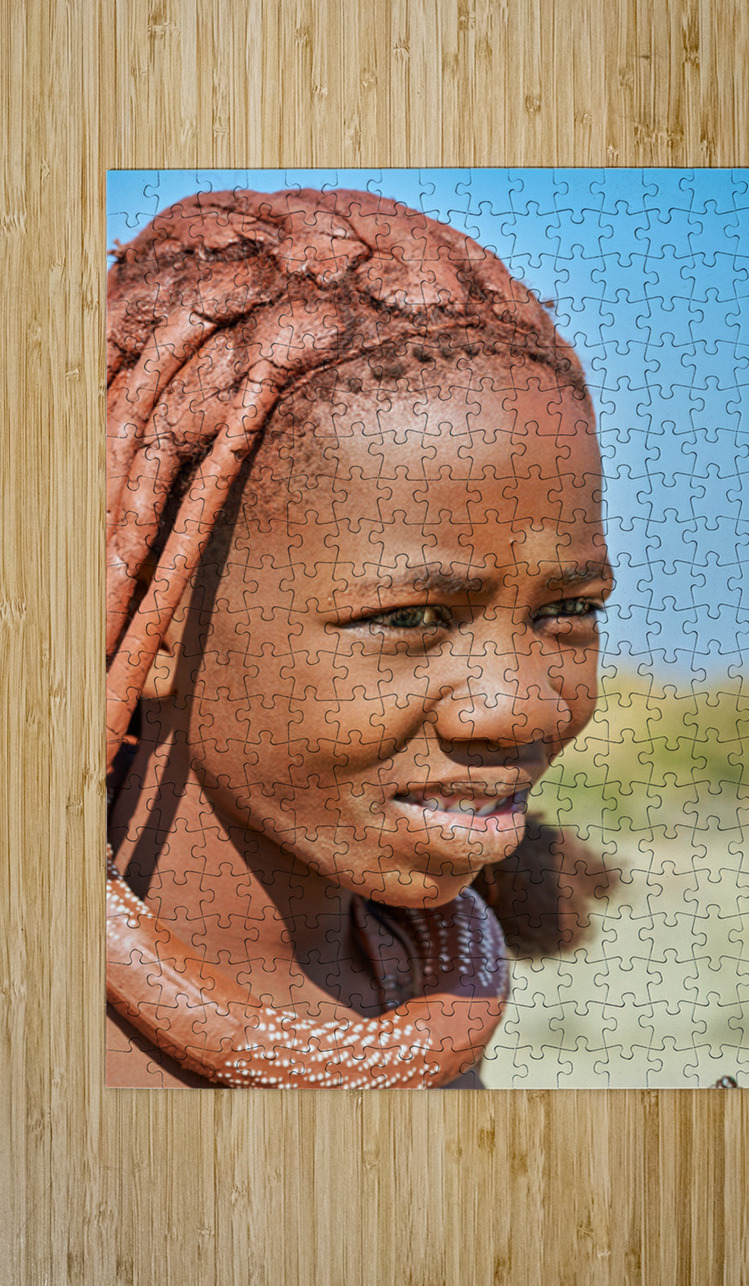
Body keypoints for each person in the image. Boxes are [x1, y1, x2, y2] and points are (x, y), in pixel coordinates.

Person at [105, 186, 612, 1088]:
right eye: (411, 618)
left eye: (566, 612)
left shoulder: (419, 983)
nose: (523, 705)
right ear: (159, 609)